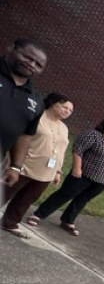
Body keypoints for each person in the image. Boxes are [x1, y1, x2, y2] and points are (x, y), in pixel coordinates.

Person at [30, 117, 104, 236]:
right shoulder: (94, 136)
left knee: (82, 200)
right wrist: (77, 168)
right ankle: (38, 215)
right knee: (64, 195)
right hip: (83, 174)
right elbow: (78, 149)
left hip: (101, 181)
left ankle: (67, 221)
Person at [2, 93, 73, 238]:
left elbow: (61, 151)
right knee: (5, 192)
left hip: (46, 172)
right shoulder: (37, 118)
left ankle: (9, 223)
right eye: (64, 107)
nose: (67, 111)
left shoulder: (64, 128)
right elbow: (20, 138)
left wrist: (58, 172)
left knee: (27, 199)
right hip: (25, 165)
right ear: (53, 103)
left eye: (70, 110)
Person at [1, 38, 46, 194]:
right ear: (11, 48)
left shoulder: (36, 100)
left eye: (38, 64)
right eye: (28, 57)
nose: (32, 64)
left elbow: (26, 135)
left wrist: (15, 166)